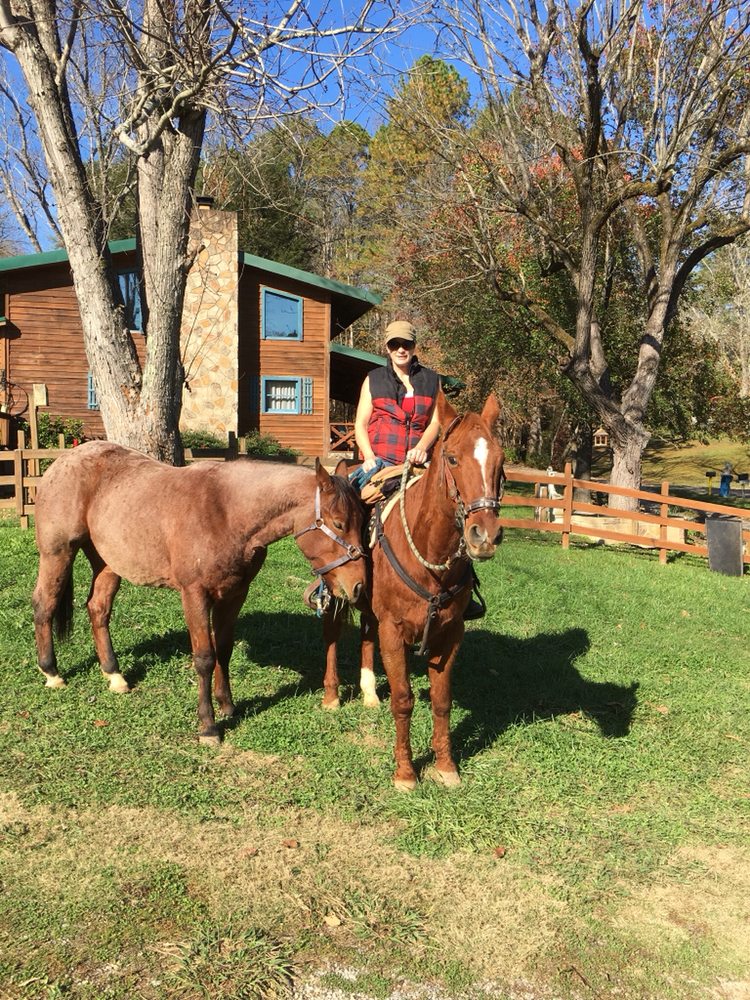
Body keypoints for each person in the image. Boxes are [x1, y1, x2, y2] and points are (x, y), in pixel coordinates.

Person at [354, 320, 441, 474]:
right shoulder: (373, 379)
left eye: (406, 344)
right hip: (380, 461)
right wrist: (369, 457)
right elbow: (361, 424)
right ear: (387, 347)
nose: (401, 350)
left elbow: (435, 422)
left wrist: (421, 448)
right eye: (395, 344)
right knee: (347, 493)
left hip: (420, 461)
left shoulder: (432, 380)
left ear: (414, 346)